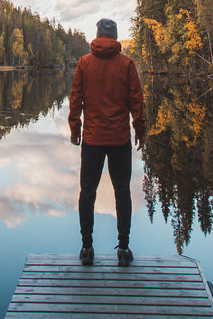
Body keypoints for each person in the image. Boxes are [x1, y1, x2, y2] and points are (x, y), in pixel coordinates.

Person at [68, 17, 145, 266]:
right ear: (115, 37)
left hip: (92, 139)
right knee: (122, 192)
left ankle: (87, 247)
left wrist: (75, 127)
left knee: (87, 192)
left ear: (98, 35)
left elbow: (75, 98)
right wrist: (140, 129)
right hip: (119, 139)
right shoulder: (126, 64)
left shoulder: (84, 63)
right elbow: (136, 100)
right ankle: (123, 249)